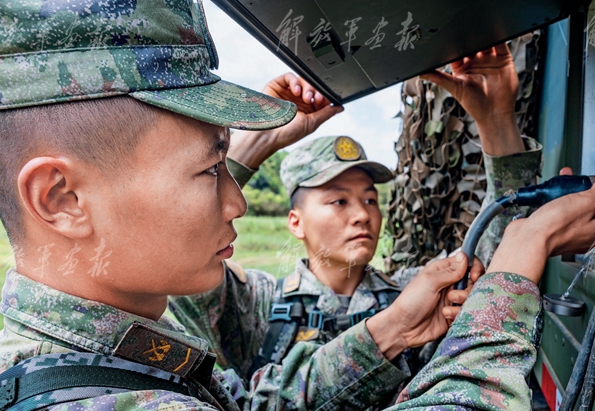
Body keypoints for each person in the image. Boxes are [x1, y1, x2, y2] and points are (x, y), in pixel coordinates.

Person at [0, 1, 595, 411]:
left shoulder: (72, 363)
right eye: (208, 172)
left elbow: (238, 381)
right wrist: (520, 256)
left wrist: (232, 155)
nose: (238, 204)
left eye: (370, 199)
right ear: (62, 197)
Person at [170, 44, 543, 382]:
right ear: (296, 222)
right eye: (339, 201)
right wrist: (257, 142)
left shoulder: (416, 294)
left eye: (370, 200)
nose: (363, 215)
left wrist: (497, 121)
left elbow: (500, 253)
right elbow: (176, 255)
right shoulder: (258, 303)